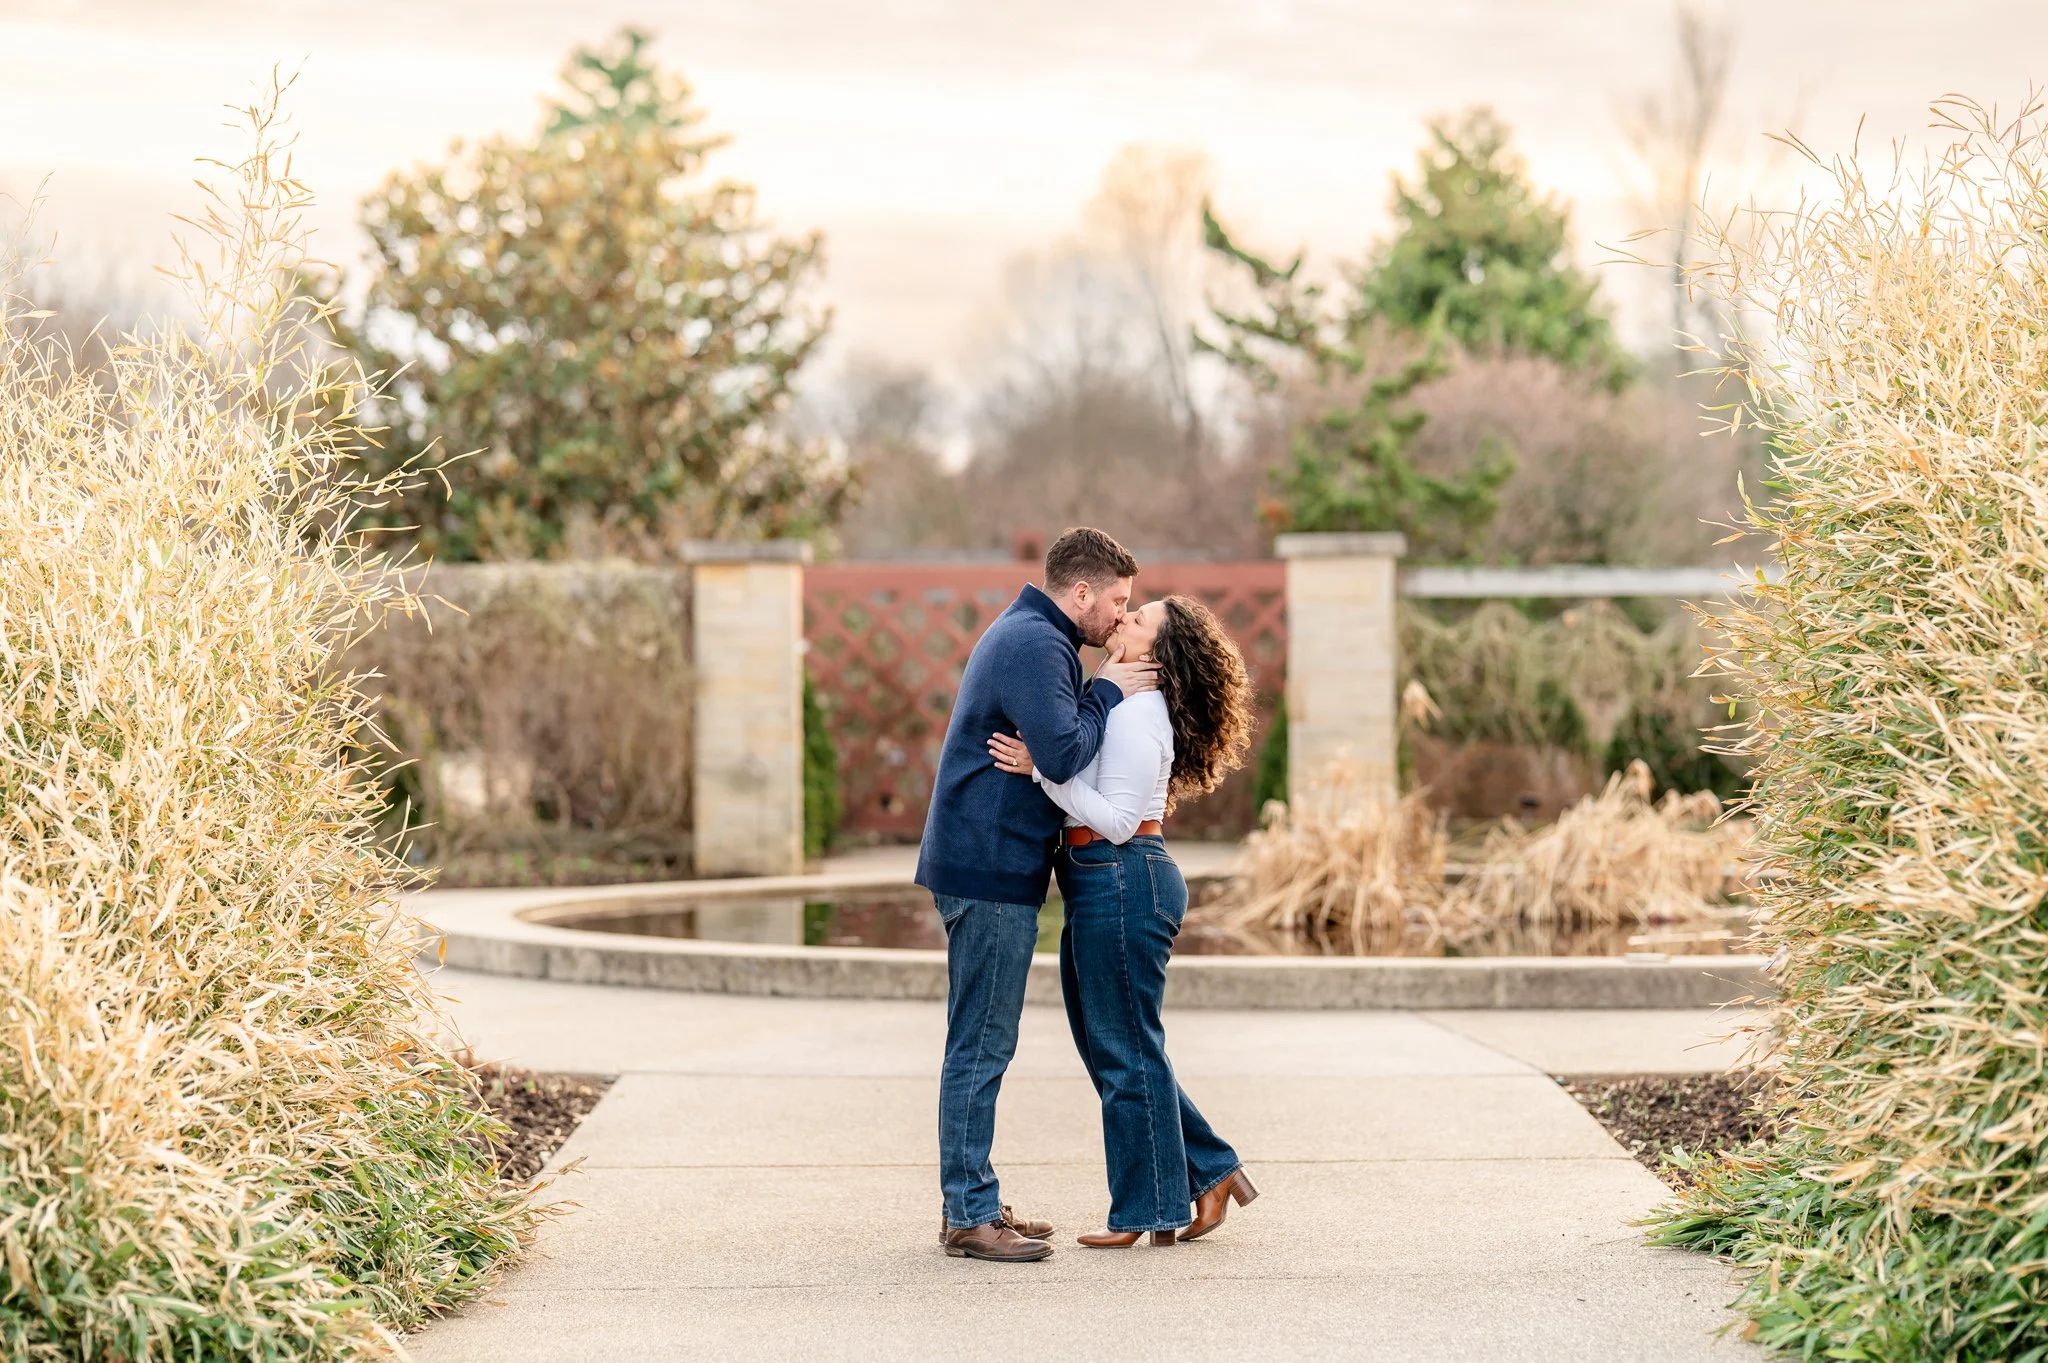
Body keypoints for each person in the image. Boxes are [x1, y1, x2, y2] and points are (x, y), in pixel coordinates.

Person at [916, 527, 1158, 1264]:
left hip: (990, 864)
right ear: (1079, 592)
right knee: (982, 1042)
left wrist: (1087, 699)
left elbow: (1051, 749)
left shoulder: (1036, 638)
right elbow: (1059, 751)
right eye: (1116, 601)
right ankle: (970, 1214)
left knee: (985, 1038)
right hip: (986, 868)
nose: (1122, 616)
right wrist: (1110, 690)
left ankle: (974, 1196)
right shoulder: (1036, 643)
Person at [986, 595, 1260, 1247]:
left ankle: (1147, 1209)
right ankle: (1210, 1172)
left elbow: (1113, 819)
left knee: (1123, 1049)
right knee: (1120, 1045)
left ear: (1158, 654)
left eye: (1140, 619)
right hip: (1100, 880)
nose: (1124, 619)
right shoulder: (1121, 702)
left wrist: (1041, 771)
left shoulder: (1141, 715)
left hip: (1123, 876)